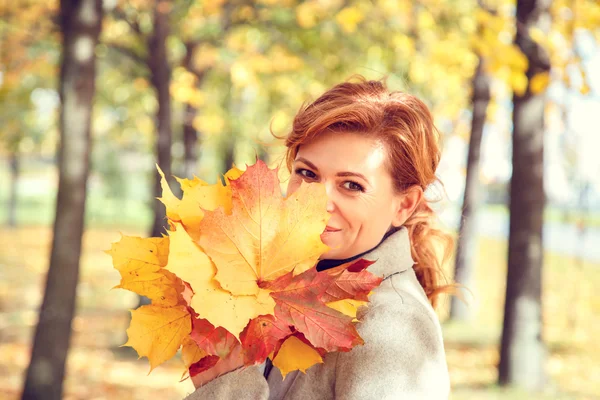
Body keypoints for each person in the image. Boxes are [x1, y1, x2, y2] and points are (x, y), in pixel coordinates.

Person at [184, 75, 456, 399]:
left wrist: (228, 388)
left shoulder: (391, 327)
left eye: (351, 185)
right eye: (307, 173)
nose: (314, 202)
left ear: (404, 205)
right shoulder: (287, 291)